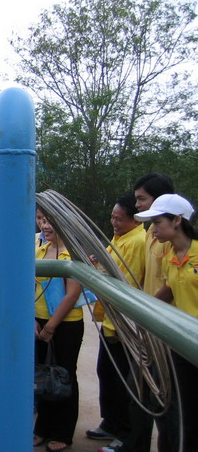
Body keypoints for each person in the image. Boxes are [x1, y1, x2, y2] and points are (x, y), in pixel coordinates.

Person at [94, 173, 178, 452]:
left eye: (142, 199)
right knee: (137, 390)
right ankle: (129, 439)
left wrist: (143, 312)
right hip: (145, 322)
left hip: (159, 326)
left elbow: (166, 284)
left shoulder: (166, 240)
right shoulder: (153, 235)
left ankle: (131, 439)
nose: (138, 204)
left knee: (161, 401)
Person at [134, 193, 198, 452]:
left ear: (177, 221)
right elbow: (169, 290)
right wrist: (141, 310)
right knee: (186, 412)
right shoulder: (172, 255)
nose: (153, 229)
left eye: (157, 222)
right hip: (182, 343)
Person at [91, 194, 146, 448]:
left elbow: (126, 281)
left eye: (119, 219)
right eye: (112, 217)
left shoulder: (137, 242)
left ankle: (123, 431)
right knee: (106, 371)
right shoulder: (120, 238)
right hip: (110, 318)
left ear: (135, 220)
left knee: (123, 379)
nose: (114, 222)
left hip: (124, 322)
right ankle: (111, 422)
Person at [33, 209, 84, 452]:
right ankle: (42, 428)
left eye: (50, 221)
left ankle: (63, 433)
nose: (45, 226)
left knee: (64, 375)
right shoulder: (40, 250)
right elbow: (29, 285)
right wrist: (32, 319)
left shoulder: (72, 254)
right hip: (39, 321)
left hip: (67, 324)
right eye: (43, 220)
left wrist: (51, 326)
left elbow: (72, 294)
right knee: (43, 375)